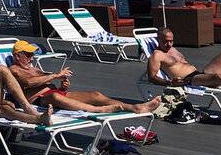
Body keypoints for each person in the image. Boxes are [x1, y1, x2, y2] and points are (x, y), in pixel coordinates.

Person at [9, 40, 159, 113]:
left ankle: (135, 107)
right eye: (28, 55)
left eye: (32, 54)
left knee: (95, 94)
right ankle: (96, 110)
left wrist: (62, 85)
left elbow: (44, 81)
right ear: (17, 56)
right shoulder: (13, 70)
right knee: (55, 98)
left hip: (55, 93)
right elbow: (29, 83)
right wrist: (55, 75)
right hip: (40, 100)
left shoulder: (32, 68)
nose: (32, 57)